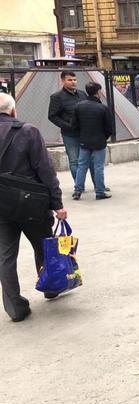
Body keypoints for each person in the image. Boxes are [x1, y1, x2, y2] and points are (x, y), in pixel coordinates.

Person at [0, 93, 68, 322]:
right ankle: (50, 287)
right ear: (12, 111)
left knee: (5, 257)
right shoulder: (28, 131)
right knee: (44, 248)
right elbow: (45, 170)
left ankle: (15, 309)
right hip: (32, 205)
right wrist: (57, 203)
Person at [71, 82, 113, 201]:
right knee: (98, 167)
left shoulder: (79, 106)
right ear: (97, 92)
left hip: (84, 140)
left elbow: (74, 125)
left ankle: (77, 190)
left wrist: (82, 135)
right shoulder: (102, 108)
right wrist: (104, 137)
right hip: (99, 141)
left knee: (81, 166)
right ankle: (99, 191)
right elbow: (109, 127)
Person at [48, 71, 88, 182]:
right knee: (74, 160)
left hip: (85, 133)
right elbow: (52, 116)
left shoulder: (82, 94)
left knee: (89, 160)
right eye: (69, 80)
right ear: (63, 81)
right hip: (69, 135)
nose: (73, 82)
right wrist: (68, 126)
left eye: (74, 80)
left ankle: (98, 185)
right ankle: (79, 185)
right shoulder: (57, 97)